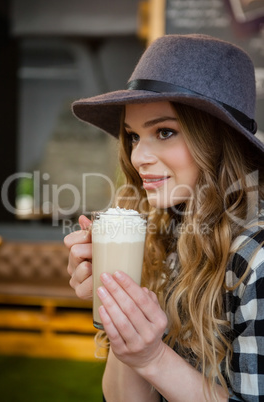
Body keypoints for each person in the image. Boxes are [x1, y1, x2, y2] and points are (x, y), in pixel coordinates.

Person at [64, 34, 264, 401]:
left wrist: (154, 357)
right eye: (133, 136)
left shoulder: (257, 256)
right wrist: (121, 308)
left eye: (165, 131)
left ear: (218, 140)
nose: (138, 157)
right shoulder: (164, 232)